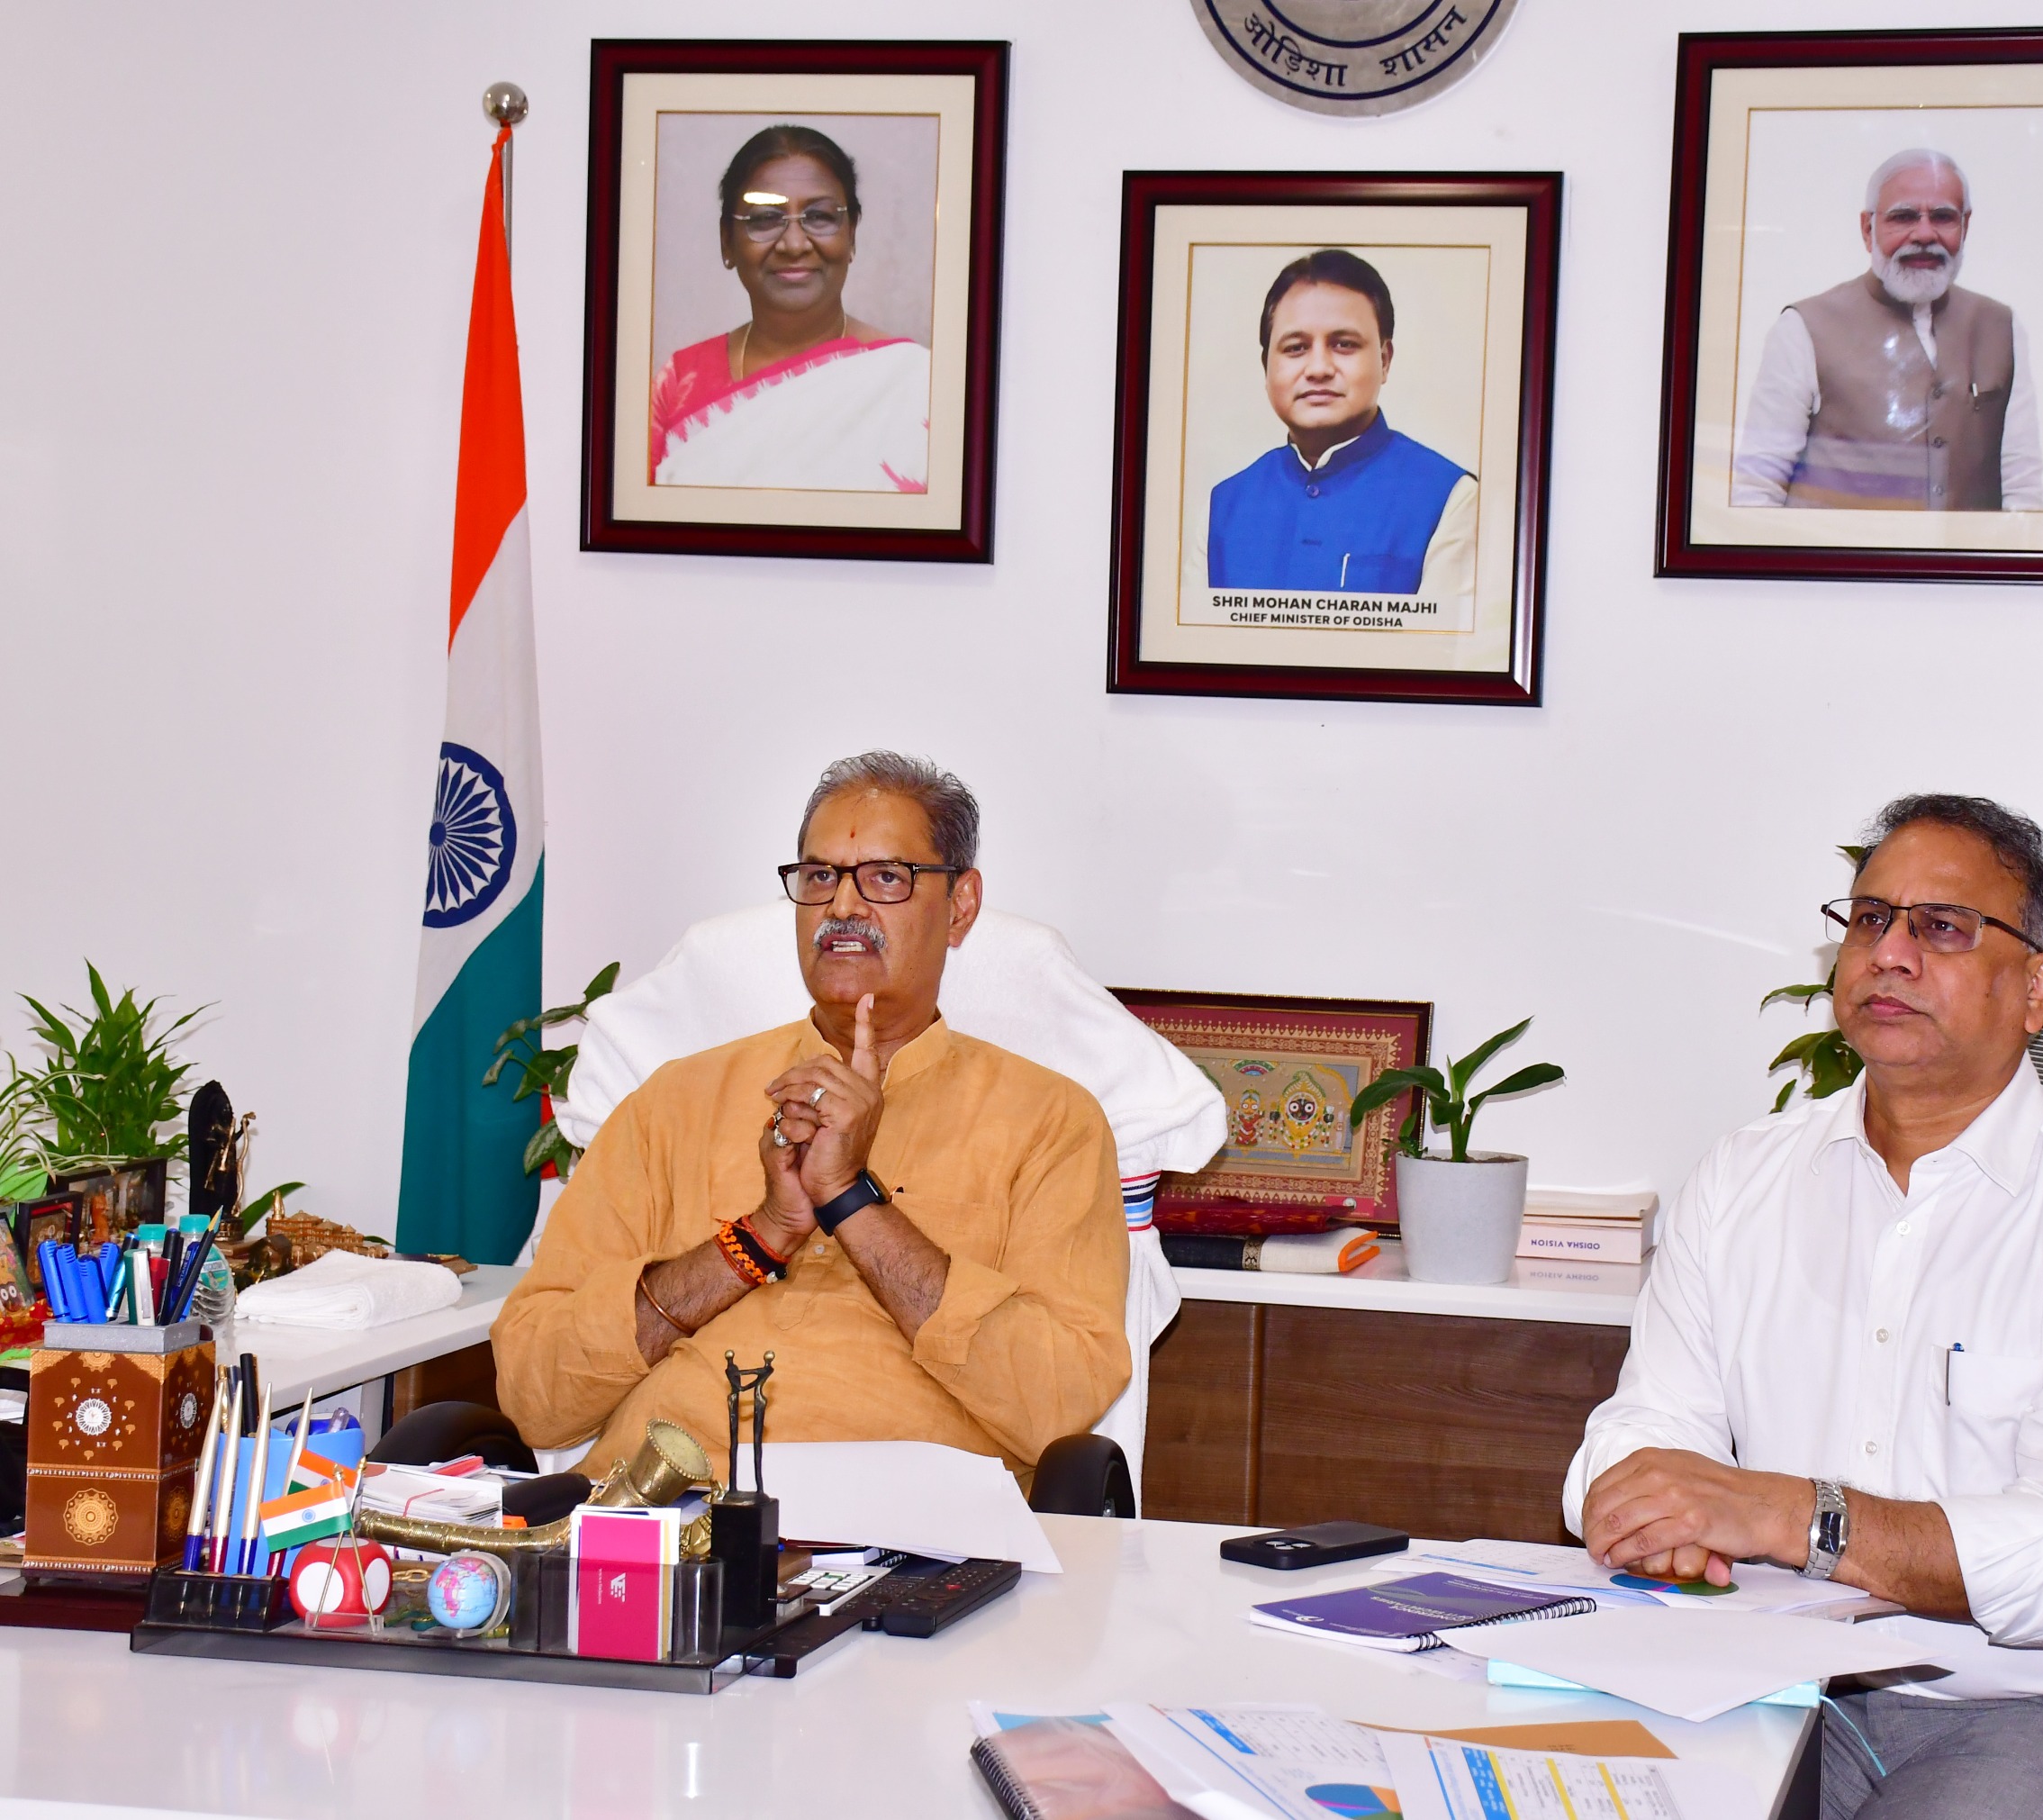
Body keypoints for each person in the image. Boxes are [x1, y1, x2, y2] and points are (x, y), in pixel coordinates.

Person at [1565, 794, 2043, 1819]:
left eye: (1942, 927)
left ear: (2037, 988)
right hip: (1767, 1681)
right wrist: (1642, 1505)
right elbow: (1650, 1426)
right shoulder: (1742, 1180)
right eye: (1871, 919)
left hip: (2042, 1713)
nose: (1889, 953)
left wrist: (1791, 1514)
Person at [493, 753, 1131, 1485]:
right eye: (821, 876)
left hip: (910, 1530)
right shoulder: (674, 1100)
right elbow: (535, 1392)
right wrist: (758, 1237)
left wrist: (851, 1200)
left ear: (960, 905)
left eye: (886, 877)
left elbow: (1056, 1401)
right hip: (661, 1509)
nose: (842, 906)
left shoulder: (1050, 1122)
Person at [1733, 150, 2043, 512]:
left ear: (1966, 226)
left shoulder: (2001, 328)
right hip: (1834, 551)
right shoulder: (1803, 328)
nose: (1925, 234)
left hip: (1966, 552)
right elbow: (1757, 489)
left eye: (1943, 217)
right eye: (1903, 217)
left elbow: (2024, 490)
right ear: (1868, 229)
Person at [650, 124, 929, 492]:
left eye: (820, 217)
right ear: (727, 241)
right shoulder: (679, 384)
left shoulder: (916, 385)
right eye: (765, 219)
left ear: (851, 234)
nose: (794, 244)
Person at [1198, 249, 1477, 598]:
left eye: (1344, 344)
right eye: (1296, 348)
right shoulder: (1222, 508)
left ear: (1384, 360)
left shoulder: (1451, 499)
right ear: (1266, 366)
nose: (1319, 369)